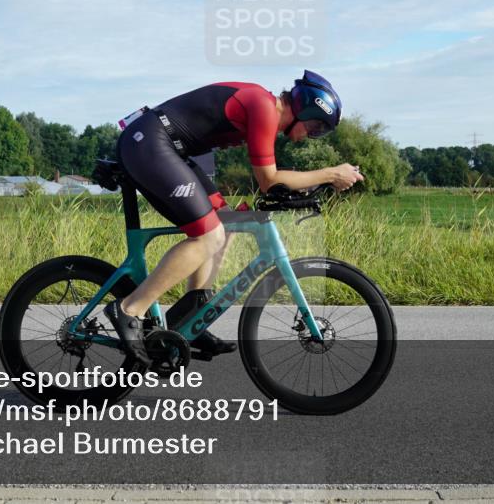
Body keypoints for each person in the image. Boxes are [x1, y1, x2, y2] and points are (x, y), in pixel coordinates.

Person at [104, 70, 364, 364]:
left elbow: (272, 183)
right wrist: (331, 173)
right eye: (316, 128)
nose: (311, 136)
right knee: (208, 235)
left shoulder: (264, 108)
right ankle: (129, 309)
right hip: (149, 143)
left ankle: (190, 317)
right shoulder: (263, 106)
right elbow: (269, 179)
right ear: (304, 110)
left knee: (225, 223)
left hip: (169, 149)